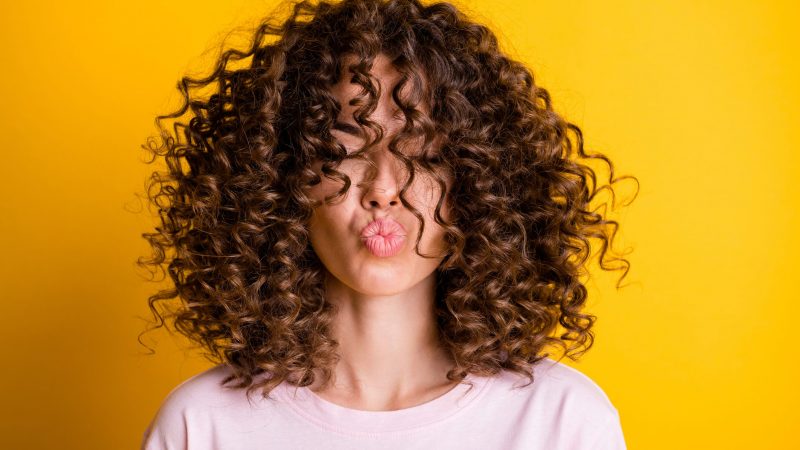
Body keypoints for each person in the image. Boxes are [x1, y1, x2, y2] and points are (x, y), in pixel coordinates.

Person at [138, 0, 638, 448]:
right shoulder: (201, 425)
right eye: (346, 150)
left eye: (423, 155)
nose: (383, 189)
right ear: (282, 179)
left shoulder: (561, 421)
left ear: (479, 185)